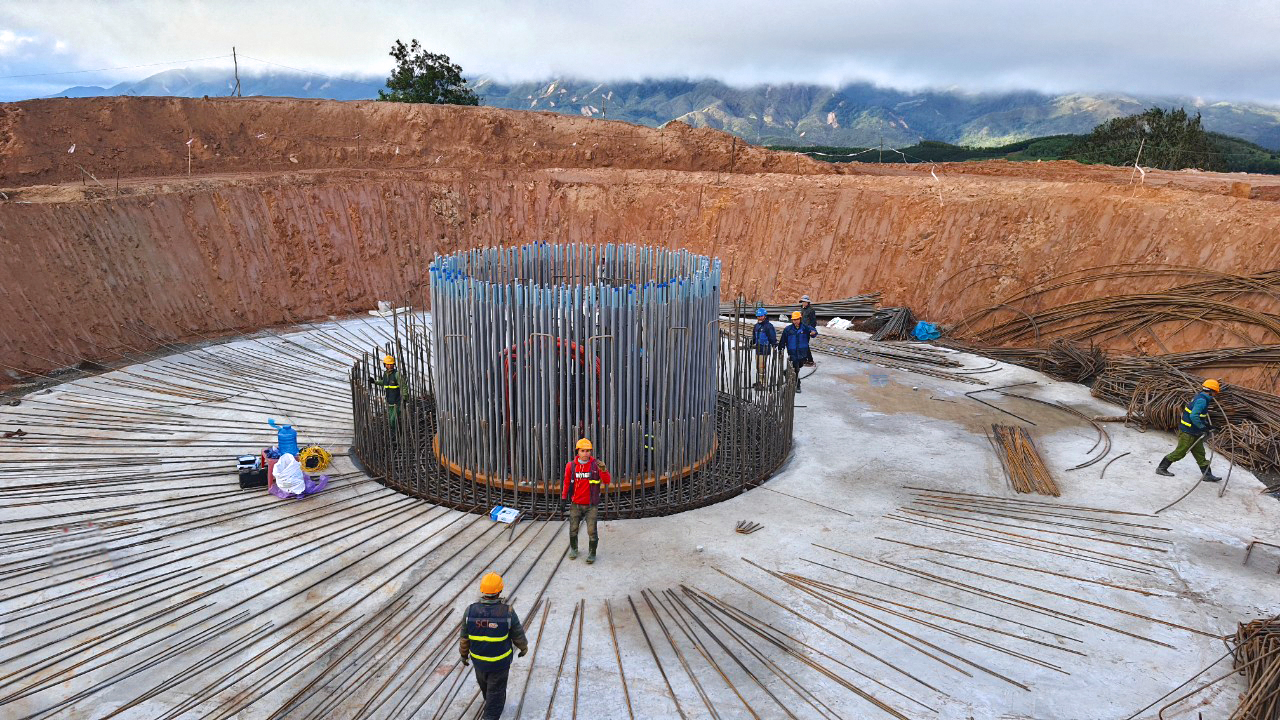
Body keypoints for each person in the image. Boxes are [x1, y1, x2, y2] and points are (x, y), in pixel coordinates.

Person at [460, 572, 529, 720]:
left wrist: (463, 655)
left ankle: (490, 704)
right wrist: (523, 648)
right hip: (499, 664)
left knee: (486, 687)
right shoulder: (507, 612)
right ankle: (491, 714)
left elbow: (464, 638)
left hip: (479, 663)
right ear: (500, 591)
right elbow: (517, 634)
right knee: (496, 694)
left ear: (482, 590)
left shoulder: (470, 611)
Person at [1155, 379, 1223, 482]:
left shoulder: (1201, 397)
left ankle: (1207, 475)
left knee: (1200, 454)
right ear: (1211, 391)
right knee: (1180, 452)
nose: (1215, 395)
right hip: (1188, 432)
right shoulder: (1202, 401)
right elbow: (1194, 416)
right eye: (1215, 392)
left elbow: (1199, 416)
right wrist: (1202, 427)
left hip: (1194, 432)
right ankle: (1161, 468)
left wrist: (1208, 426)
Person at [562, 438, 611, 563]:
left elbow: (607, 481)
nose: (586, 453)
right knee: (573, 529)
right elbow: (566, 483)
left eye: (588, 451)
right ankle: (574, 549)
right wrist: (563, 498)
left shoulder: (596, 465)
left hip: (591, 505)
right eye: (583, 451)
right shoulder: (571, 466)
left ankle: (592, 553)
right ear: (577, 451)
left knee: (591, 530)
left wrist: (604, 470)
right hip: (575, 504)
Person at [779, 311, 817, 394]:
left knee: (799, 365)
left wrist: (814, 333)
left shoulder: (805, 328)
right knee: (796, 368)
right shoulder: (788, 329)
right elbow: (783, 340)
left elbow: (813, 331)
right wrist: (780, 348)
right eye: (794, 320)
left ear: (800, 319)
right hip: (792, 351)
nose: (795, 321)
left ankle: (787, 372)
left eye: (797, 319)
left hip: (803, 352)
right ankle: (798, 385)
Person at [368, 355, 401, 431]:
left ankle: (398, 435)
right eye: (387, 364)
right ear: (385, 365)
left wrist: (405, 398)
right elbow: (384, 382)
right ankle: (395, 434)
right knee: (391, 420)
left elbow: (404, 387)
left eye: (391, 364)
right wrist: (375, 381)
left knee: (393, 420)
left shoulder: (397, 374)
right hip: (389, 401)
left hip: (397, 401)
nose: (389, 366)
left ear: (393, 364)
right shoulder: (385, 374)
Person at [752, 307, 777, 389]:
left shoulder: (769, 326)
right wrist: (751, 342)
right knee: (758, 367)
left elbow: (772, 337)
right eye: (758, 316)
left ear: (765, 316)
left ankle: (763, 384)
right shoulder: (756, 326)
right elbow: (754, 337)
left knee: (762, 367)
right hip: (758, 349)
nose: (759, 318)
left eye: (761, 316)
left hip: (765, 349)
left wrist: (774, 345)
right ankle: (760, 381)